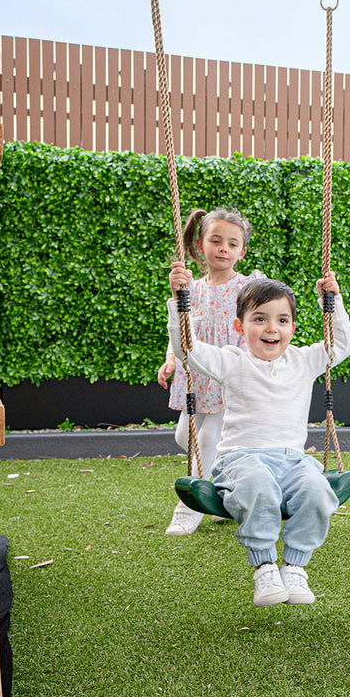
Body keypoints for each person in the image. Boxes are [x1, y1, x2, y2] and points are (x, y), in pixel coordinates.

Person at [166, 270, 350, 607]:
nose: (272, 328)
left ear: (292, 328)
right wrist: (180, 301)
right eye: (260, 319)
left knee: (318, 491)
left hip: (293, 461)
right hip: (241, 459)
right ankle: (265, 567)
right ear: (240, 327)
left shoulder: (303, 360)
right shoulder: (230, 361)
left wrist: (333, 301)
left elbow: (341, 345)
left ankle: (294, 567)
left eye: (282, 320)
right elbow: (188, 349)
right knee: (259, 488)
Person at [158, 207, 263, 535]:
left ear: (241, 252)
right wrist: (171, 360)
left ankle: (191, 505)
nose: (223, 249)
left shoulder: (247, 287)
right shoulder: (193, 289)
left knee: (206, 438)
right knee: (184, 436)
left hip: (227, 374)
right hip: (196, 377)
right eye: (215, 241)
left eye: (232, 244)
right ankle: (222, 493)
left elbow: (262, 322)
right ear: (200, 245)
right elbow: (181, 330)